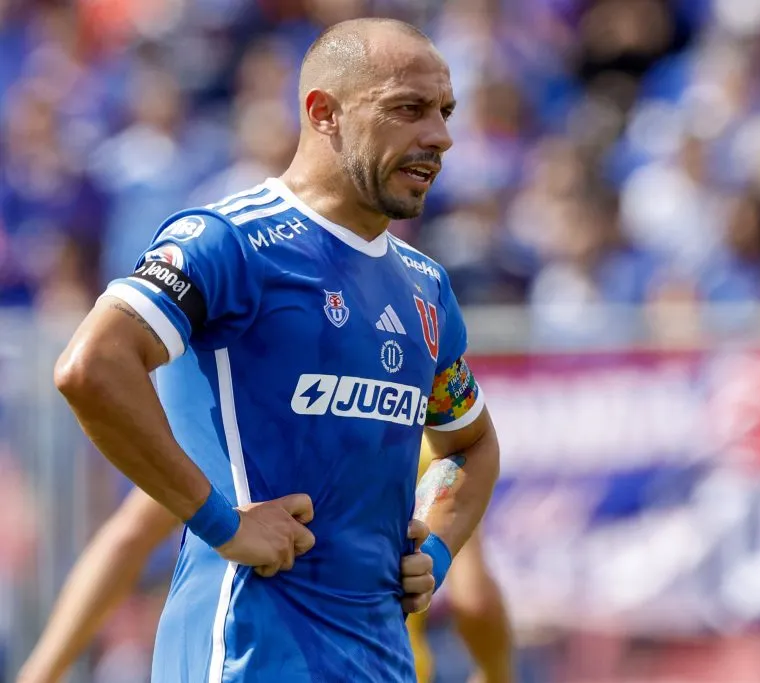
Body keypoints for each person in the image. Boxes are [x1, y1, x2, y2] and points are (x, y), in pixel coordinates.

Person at [50, 17, 501, 683]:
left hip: (383, 662)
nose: (438, 135)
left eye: (443, 111)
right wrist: (222, 521)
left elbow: (471, 444)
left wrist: (434, 550)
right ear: (324, 113)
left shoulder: (425, 288)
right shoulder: (230, 243)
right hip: (245, 653)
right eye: (408, 109)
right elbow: (92, 365)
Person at [16, 443, 514, 683]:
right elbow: (472, 599)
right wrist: (495, 674)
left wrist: (40, 673)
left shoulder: (245, 442)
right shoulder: (418, 446)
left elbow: (126, 539)